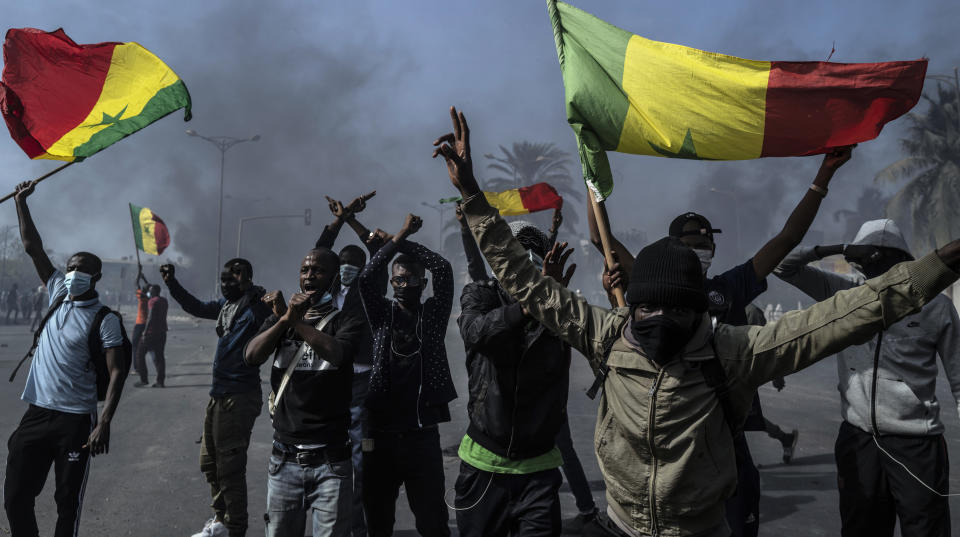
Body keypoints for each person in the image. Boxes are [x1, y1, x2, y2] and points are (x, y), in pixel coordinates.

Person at [432, 106, 960, 537]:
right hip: (622, 526)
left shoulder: (737, 349)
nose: (658, 318)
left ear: (698, 306)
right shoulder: (608, 335)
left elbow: (852, 311)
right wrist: (472, 195)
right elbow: (523, 281)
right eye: (646, 307)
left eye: (675, 308)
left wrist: (940, 264)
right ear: (632, 304)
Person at [591, 147, 852, 537]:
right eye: (692, 240)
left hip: (725, 437)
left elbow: (788, 238)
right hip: (669, 433)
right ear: (673, 247)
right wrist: (590, 172)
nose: (702, 247)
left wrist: (823, 176)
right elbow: (600, 236)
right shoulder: (652, 288)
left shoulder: (727, 288)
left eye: (706, 240)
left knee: (741, 515)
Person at [774, 218, 960, 536]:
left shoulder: (936, 306)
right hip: (857, 439)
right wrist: (835, 248)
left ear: (900, 259)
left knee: (926, 529)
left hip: (917, 445)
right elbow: (782, 266)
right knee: (861, 527)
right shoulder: (845, 292)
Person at [455, 204, 600, 532]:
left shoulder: (557, 304)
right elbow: (476, 332)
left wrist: (554, 298)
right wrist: (527, 306)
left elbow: (592, 335)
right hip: (484, 464)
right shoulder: (481, 295)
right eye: (519, 254)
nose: (527, 262)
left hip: (538, 468)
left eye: (535, 255)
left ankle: (587, 506)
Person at [4, 180, 127, 537]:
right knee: (15, 497)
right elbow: (32, 246)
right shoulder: (57, 291)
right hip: (38, 412)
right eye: (70, 267)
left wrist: (103, 422)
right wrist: (20, 202)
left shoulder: (105, 320)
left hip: (75, 421)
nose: (72, 274)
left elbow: (117, 372)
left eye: (81, 270)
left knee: (66, 504)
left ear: (96, 277)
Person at [244, 247, 364, 537]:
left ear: (334, 278)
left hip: (331, 463)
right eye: (305, 270)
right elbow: (251, 356)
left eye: (318, 270)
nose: (309, 275)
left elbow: (336, 353)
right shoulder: (280, 320)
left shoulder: (347, 320)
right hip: (284, 460)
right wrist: (285, 319)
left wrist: (296, 320)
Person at [357, 213, 457, 537]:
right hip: (380, 435)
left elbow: (442, 268)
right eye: (397, 280)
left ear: (422, 284)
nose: (402, 286)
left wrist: (408, 242)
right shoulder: (382, 315)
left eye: (410, 280)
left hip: (421, 436)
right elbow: (366, 277)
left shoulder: (432, 317)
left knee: (432, 523)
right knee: (378, 521)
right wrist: (396, 238)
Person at [160, 258, 271, 537]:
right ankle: (221, 520)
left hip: (239, 396)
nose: (227, 282)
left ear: (248, 279)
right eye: (224, 277)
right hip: (219, 395)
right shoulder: (226, 307)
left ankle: (234, 528)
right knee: (210, 463)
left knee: (230, 467)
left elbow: (273, 324)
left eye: (235, 276)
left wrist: (261, 298)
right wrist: (171, 282)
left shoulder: (257, 308)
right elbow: (195, 307)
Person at [316, 191, 383, 537]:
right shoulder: (325, 292)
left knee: (358, 458)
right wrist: (337, 220)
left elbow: (379, 252)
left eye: (352, 268)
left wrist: (354, 221)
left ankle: (357, 528)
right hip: (328, 380)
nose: (345, 272)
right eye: (340, 266)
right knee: (325, 455)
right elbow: (319, 251)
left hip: (360, 381)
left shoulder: (367, 292)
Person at [744, 304, 798, 464]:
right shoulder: (718, 303)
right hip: (727, 375)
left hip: (743, 377)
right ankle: (785, 438)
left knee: (745, 419)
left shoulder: (751, 312)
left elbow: (767, 346)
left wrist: (777, 376)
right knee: (743, 420)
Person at [135, 284, 168, 388]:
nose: (149, 292)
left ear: (153, 291)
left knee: (140, 354)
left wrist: (144, 332)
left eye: (150, 290)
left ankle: (143, 379)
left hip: (151, 333)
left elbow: (151, 317)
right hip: (162, 332)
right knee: (159, 357)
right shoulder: (164, 300)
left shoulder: (152, 301)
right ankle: (160, 381)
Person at [130, 275, 149, 376]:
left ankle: (137, 368)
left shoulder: (141, 296)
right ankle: (139, 367)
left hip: (139, 323)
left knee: (135, 346)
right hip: (145, 323)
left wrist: (138, 276)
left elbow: (135, 284)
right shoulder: (148, 296)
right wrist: (143, 276)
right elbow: (147, 285)